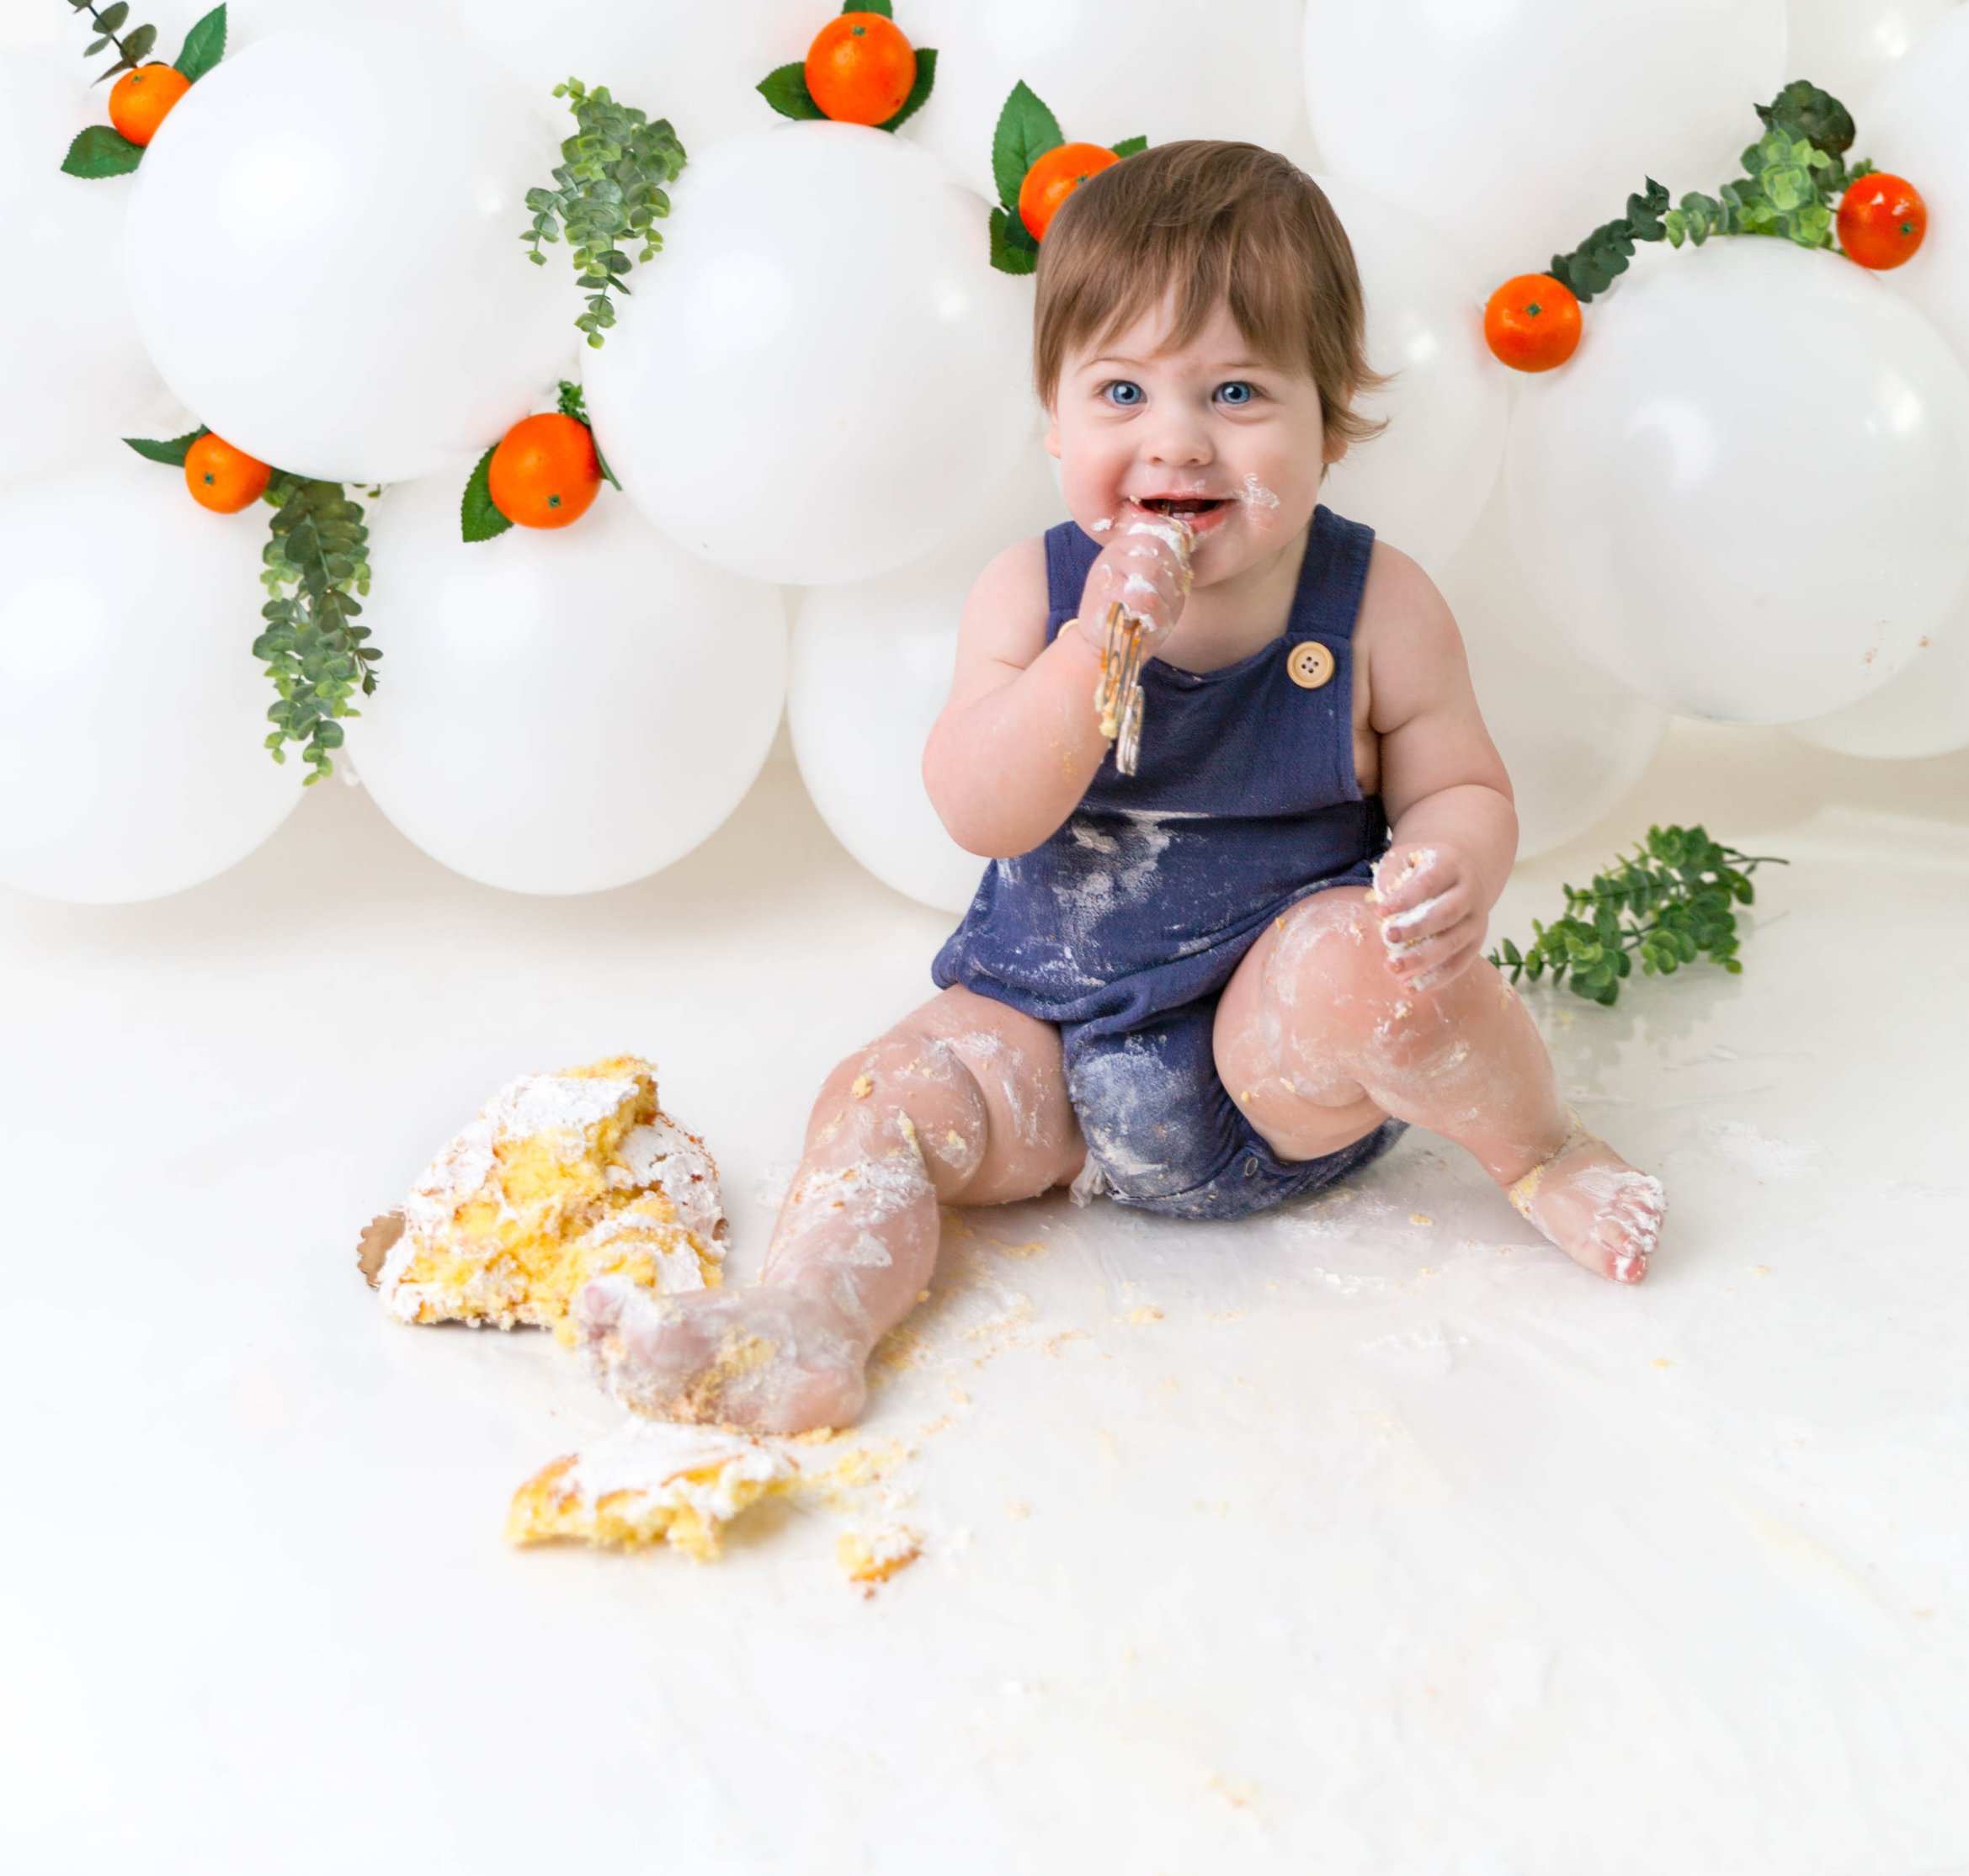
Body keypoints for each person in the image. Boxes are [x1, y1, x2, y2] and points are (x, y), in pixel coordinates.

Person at [578, 141, 1665, 1433]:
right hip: (1048, 1049)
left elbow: (1464, 787)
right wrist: (1092, 647)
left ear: (1332, 419)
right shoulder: (1028, 600)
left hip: (1275, 1060)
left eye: (1239, 390)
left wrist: (1451, 864)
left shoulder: (1378, 607)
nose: (1178, 438)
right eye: (1121, 390)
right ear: (1054, 421)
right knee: (881, 1097)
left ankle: (1539, 1149)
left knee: (1368, 963)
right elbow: (984, 810)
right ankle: (813, 1320)